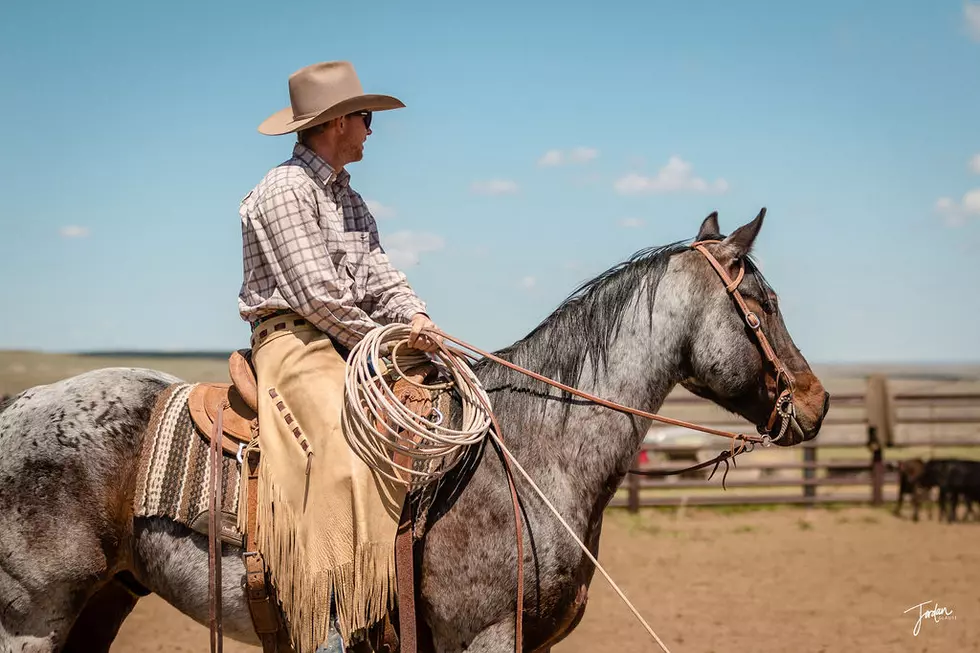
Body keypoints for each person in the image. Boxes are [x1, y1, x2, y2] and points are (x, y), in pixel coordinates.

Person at [237, 60, 440, 653]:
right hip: (294, 341)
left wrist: (417, 317)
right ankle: (326, 618)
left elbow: (380, 274)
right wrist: (382, 340)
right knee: (342, 449)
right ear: (335, 123)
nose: (372, 129)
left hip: (348, 337)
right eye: (365, 117)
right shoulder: (284, 191)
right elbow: (318, 296)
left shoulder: (348, 198)